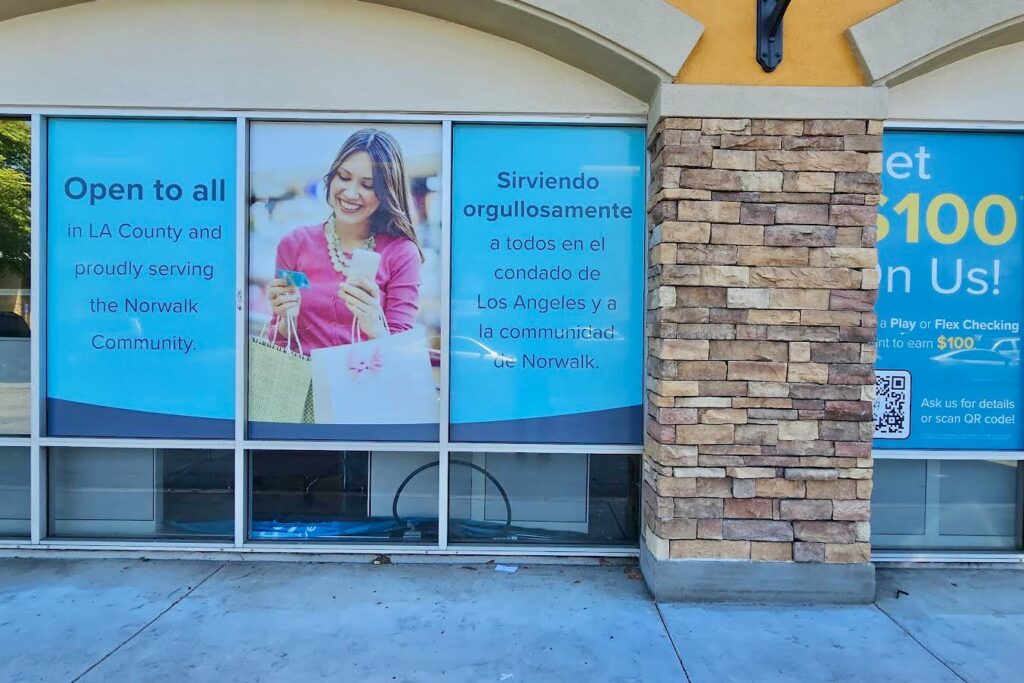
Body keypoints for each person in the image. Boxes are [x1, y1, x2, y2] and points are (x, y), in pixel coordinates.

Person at [266, 129, 423, 353]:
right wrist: (285, 322)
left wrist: (374, 326)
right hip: (300, 384)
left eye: (368, 185)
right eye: (344, 177)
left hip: (364, 383)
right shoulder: (294, 244)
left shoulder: (401, 253)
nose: (350, 192)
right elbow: (278, 340)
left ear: (386, 192)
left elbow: (400, 352)